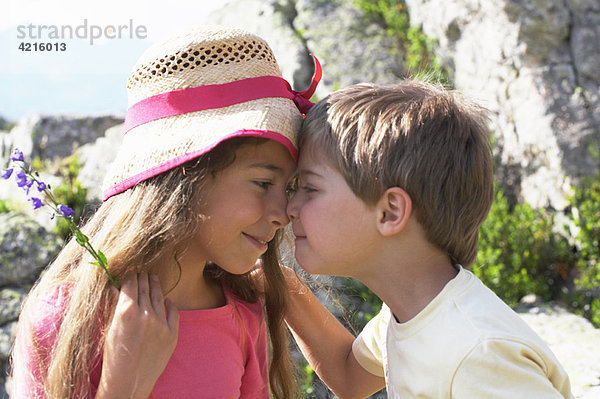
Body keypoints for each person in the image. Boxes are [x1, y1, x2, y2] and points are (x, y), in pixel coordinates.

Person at [10, 25, 321, 398]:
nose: (283, 213)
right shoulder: (64, 317)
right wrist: (123, 385)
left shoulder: (243, 316)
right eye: (262, 183)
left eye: (287, 189)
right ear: (184, 178)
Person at [283, 81, 574, 398]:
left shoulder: (478, 353)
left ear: (390, 213)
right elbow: (349, 375)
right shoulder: (410, 314)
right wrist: (280, 287)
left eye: (309, 188)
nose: (290, 208)